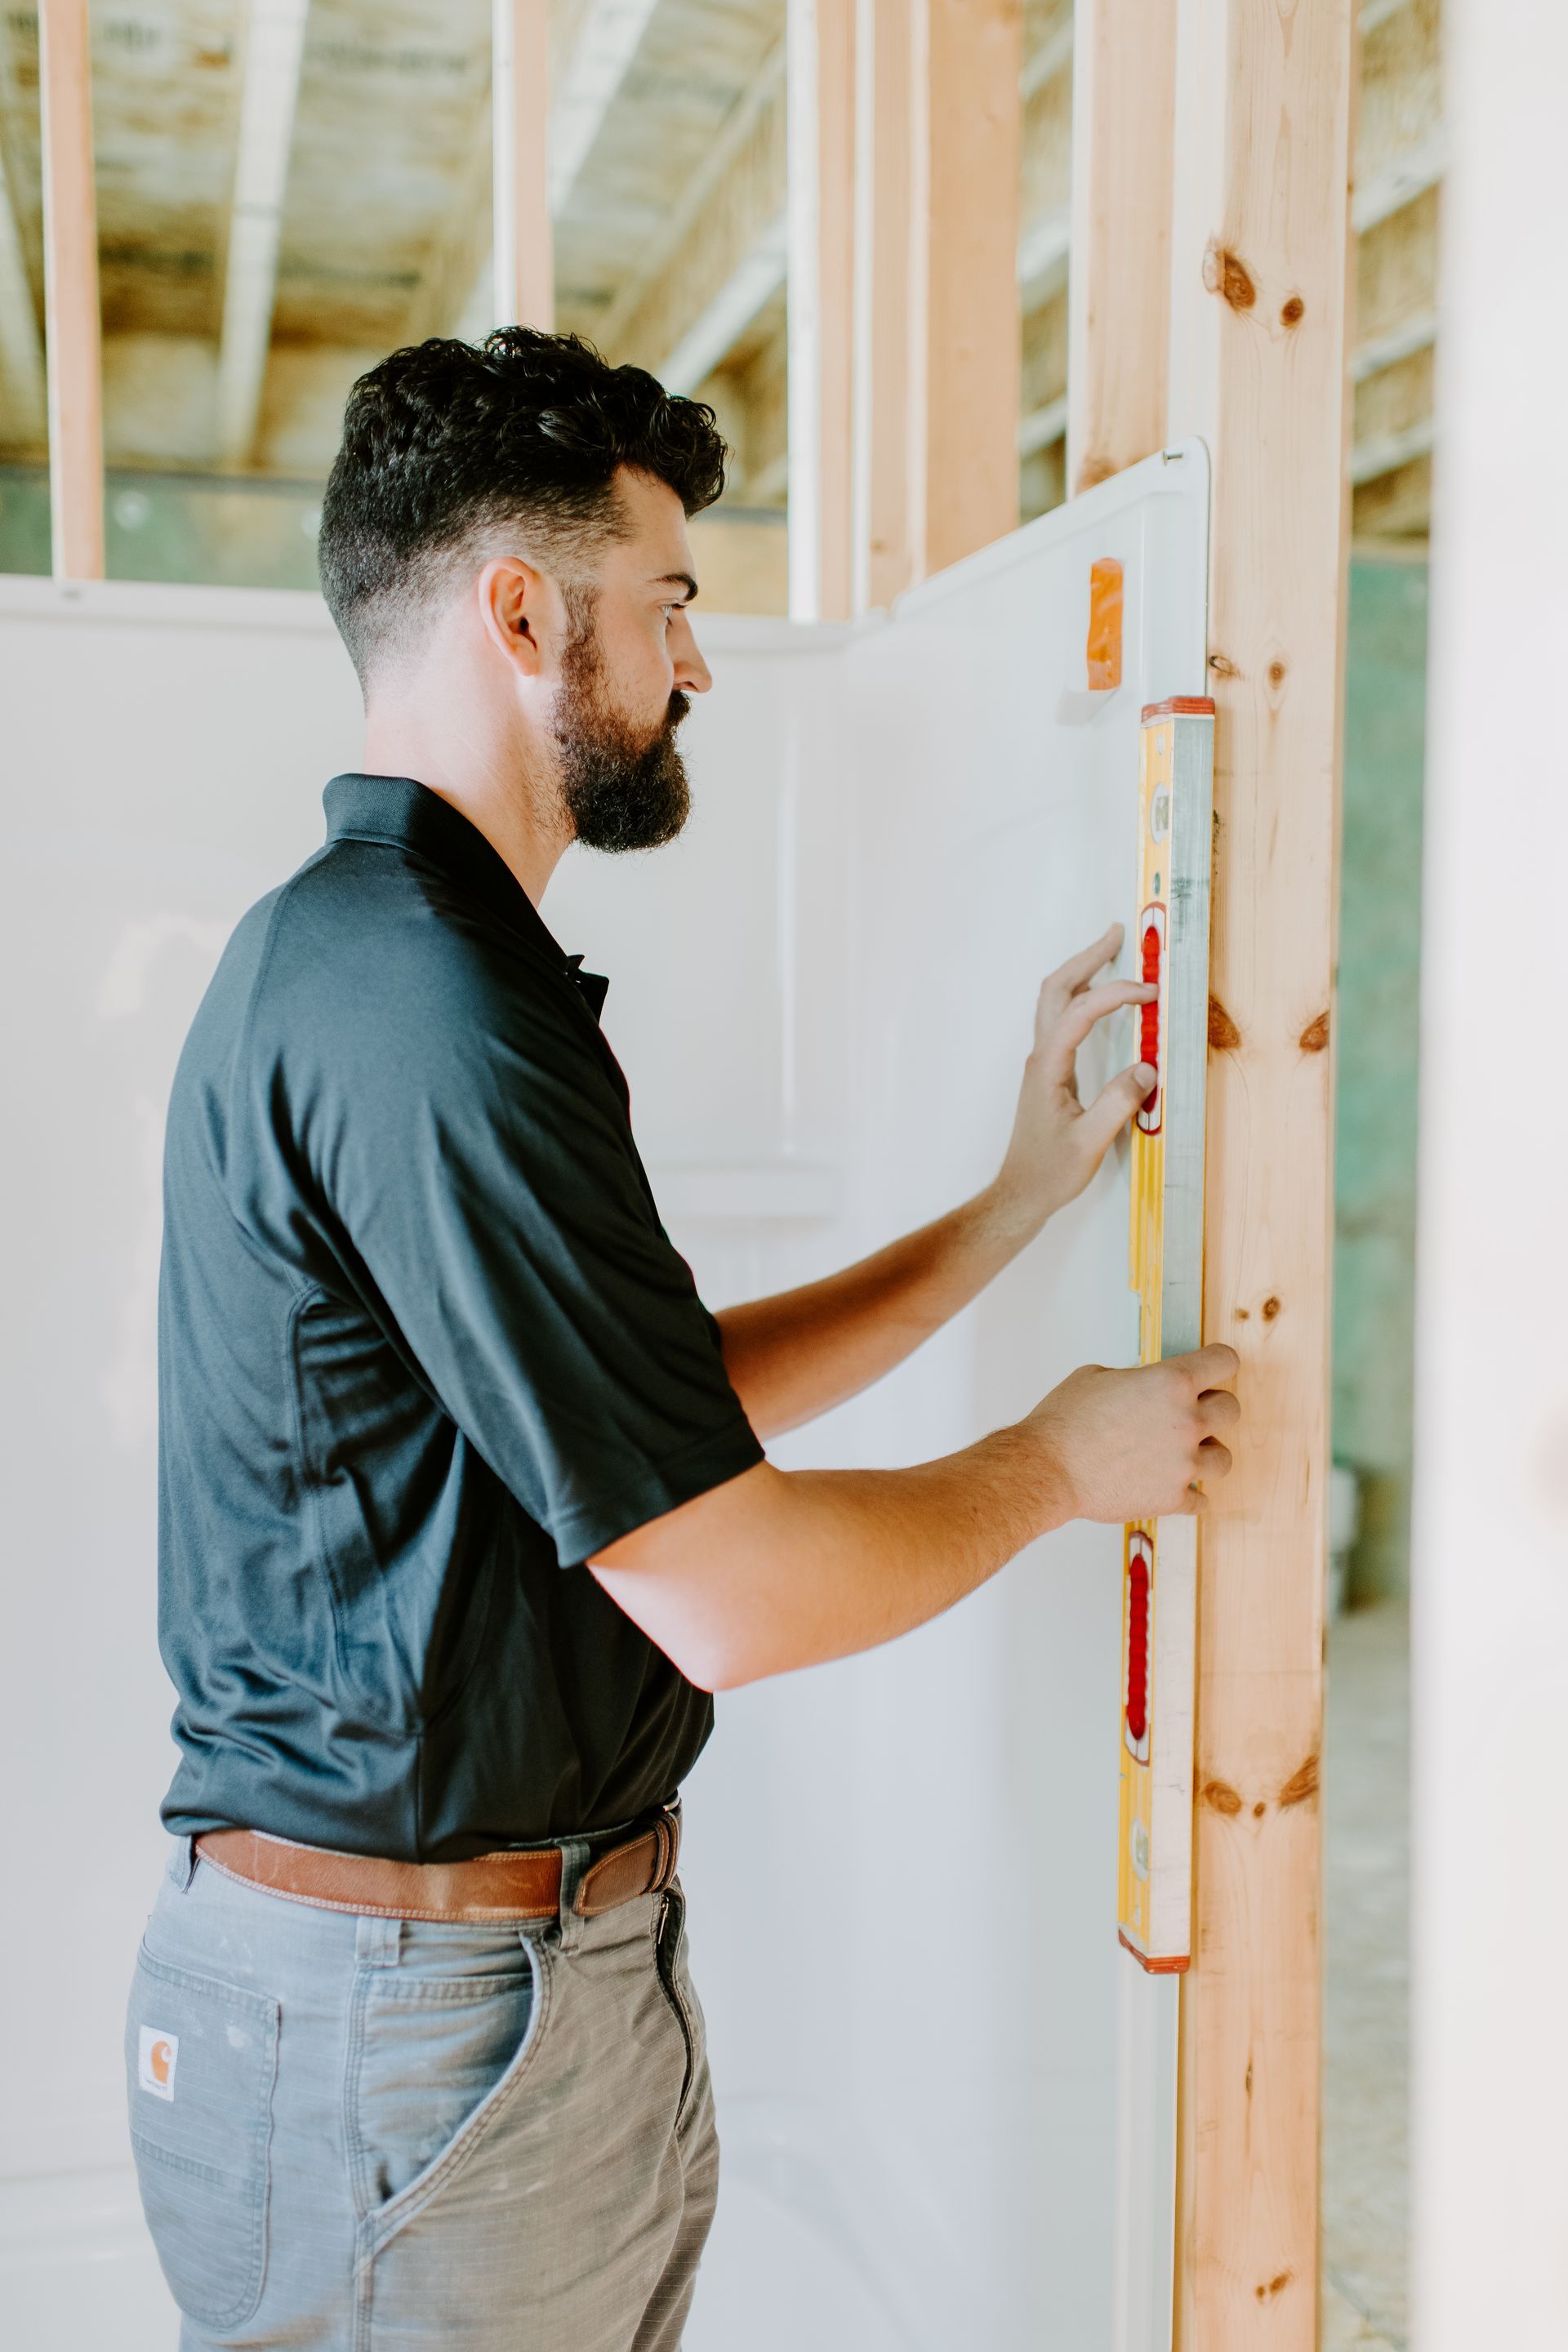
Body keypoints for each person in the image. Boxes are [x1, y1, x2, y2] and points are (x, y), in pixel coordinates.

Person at [127, 327, 1239, 2352]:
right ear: (523, 613)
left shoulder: (387, 956)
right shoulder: (430, 1005)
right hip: (417, 2038)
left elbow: (639, 1416)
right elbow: (722, 1586)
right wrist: (1065, 1468)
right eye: (669, 605)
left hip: (464, 2007)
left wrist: (1007, 1207)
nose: (696, 665)